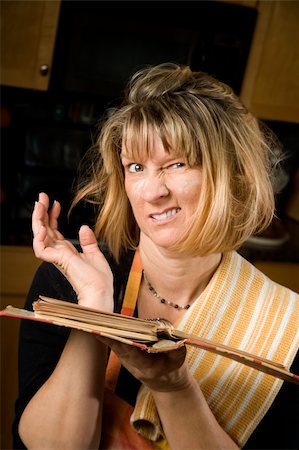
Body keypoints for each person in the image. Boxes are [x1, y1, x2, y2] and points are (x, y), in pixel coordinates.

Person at [12, 63, 298, 450]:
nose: (151, 192)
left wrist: (172, 386)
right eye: (136, 167)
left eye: (176, 164)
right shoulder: (70, 281)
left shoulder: (285, 328)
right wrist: (93, 312)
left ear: (231, 174)